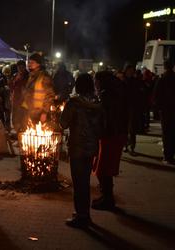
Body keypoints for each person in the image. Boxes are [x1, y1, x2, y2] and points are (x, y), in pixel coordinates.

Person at [60, 73, 103, 229]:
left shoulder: (74, 103)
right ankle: (84, 213)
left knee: (79, 183)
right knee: (84, 181)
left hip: (77, 147)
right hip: (92, 147)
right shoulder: (98, 102)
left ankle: (82, 216)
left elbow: (63, 123)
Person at [92, 71, 129, 210]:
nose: (95, 84)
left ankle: (108, 199)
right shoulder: (114, 93)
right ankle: (106, 196)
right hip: (115, 134)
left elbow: (108, 118)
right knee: (103, 167)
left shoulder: (108, 96)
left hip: (111, 135)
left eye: (96, 81)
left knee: (103, 168)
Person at [153, 61, 175, 164]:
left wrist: (159, 108)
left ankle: (167, 156)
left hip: (165, 110)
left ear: (165, 67)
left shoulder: (162, 79)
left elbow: (156, 95)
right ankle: (172, 153)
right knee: (173, 131)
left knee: (166, 132)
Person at [21, 53, 55, 126]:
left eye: (32, 62)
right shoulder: (31, 76)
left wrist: (44, 113)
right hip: (30, 112)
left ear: (38, 64)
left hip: (40, 114)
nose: (29, 64)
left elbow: (50, 96)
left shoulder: (44, 77)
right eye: (29, 62)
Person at [11, 60, 29, 133]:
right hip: (15, 99)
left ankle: (23, 134)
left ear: (24, 67)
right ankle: (18, 133)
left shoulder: (28, 76)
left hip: (24, 101)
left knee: (23, 119)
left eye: (22, 67)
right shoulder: (15, 75)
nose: (20, 69)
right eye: (19, 67)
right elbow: (12, 86)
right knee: (15, 119)